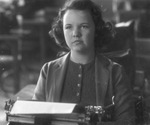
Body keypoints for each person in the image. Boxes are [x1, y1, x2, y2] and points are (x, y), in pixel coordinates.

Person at [32, 0, 135, 124]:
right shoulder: (48, 70)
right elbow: (34, 118)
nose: (75, 33)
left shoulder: (116, 73)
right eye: (68, 27)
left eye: (84, 26)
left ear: (96, 29)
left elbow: (126, 122)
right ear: (62, 30)